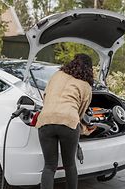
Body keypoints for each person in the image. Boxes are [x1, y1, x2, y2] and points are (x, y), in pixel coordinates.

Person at [36, 53, 96, 189]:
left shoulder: (57, 75)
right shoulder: (86, 85)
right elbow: (80, 111)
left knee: (49, 166)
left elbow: (45, 97)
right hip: (69, 122)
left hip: (45, 120)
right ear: (89, 69)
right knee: (69, 165)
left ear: (72, 63)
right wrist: (83, 128)